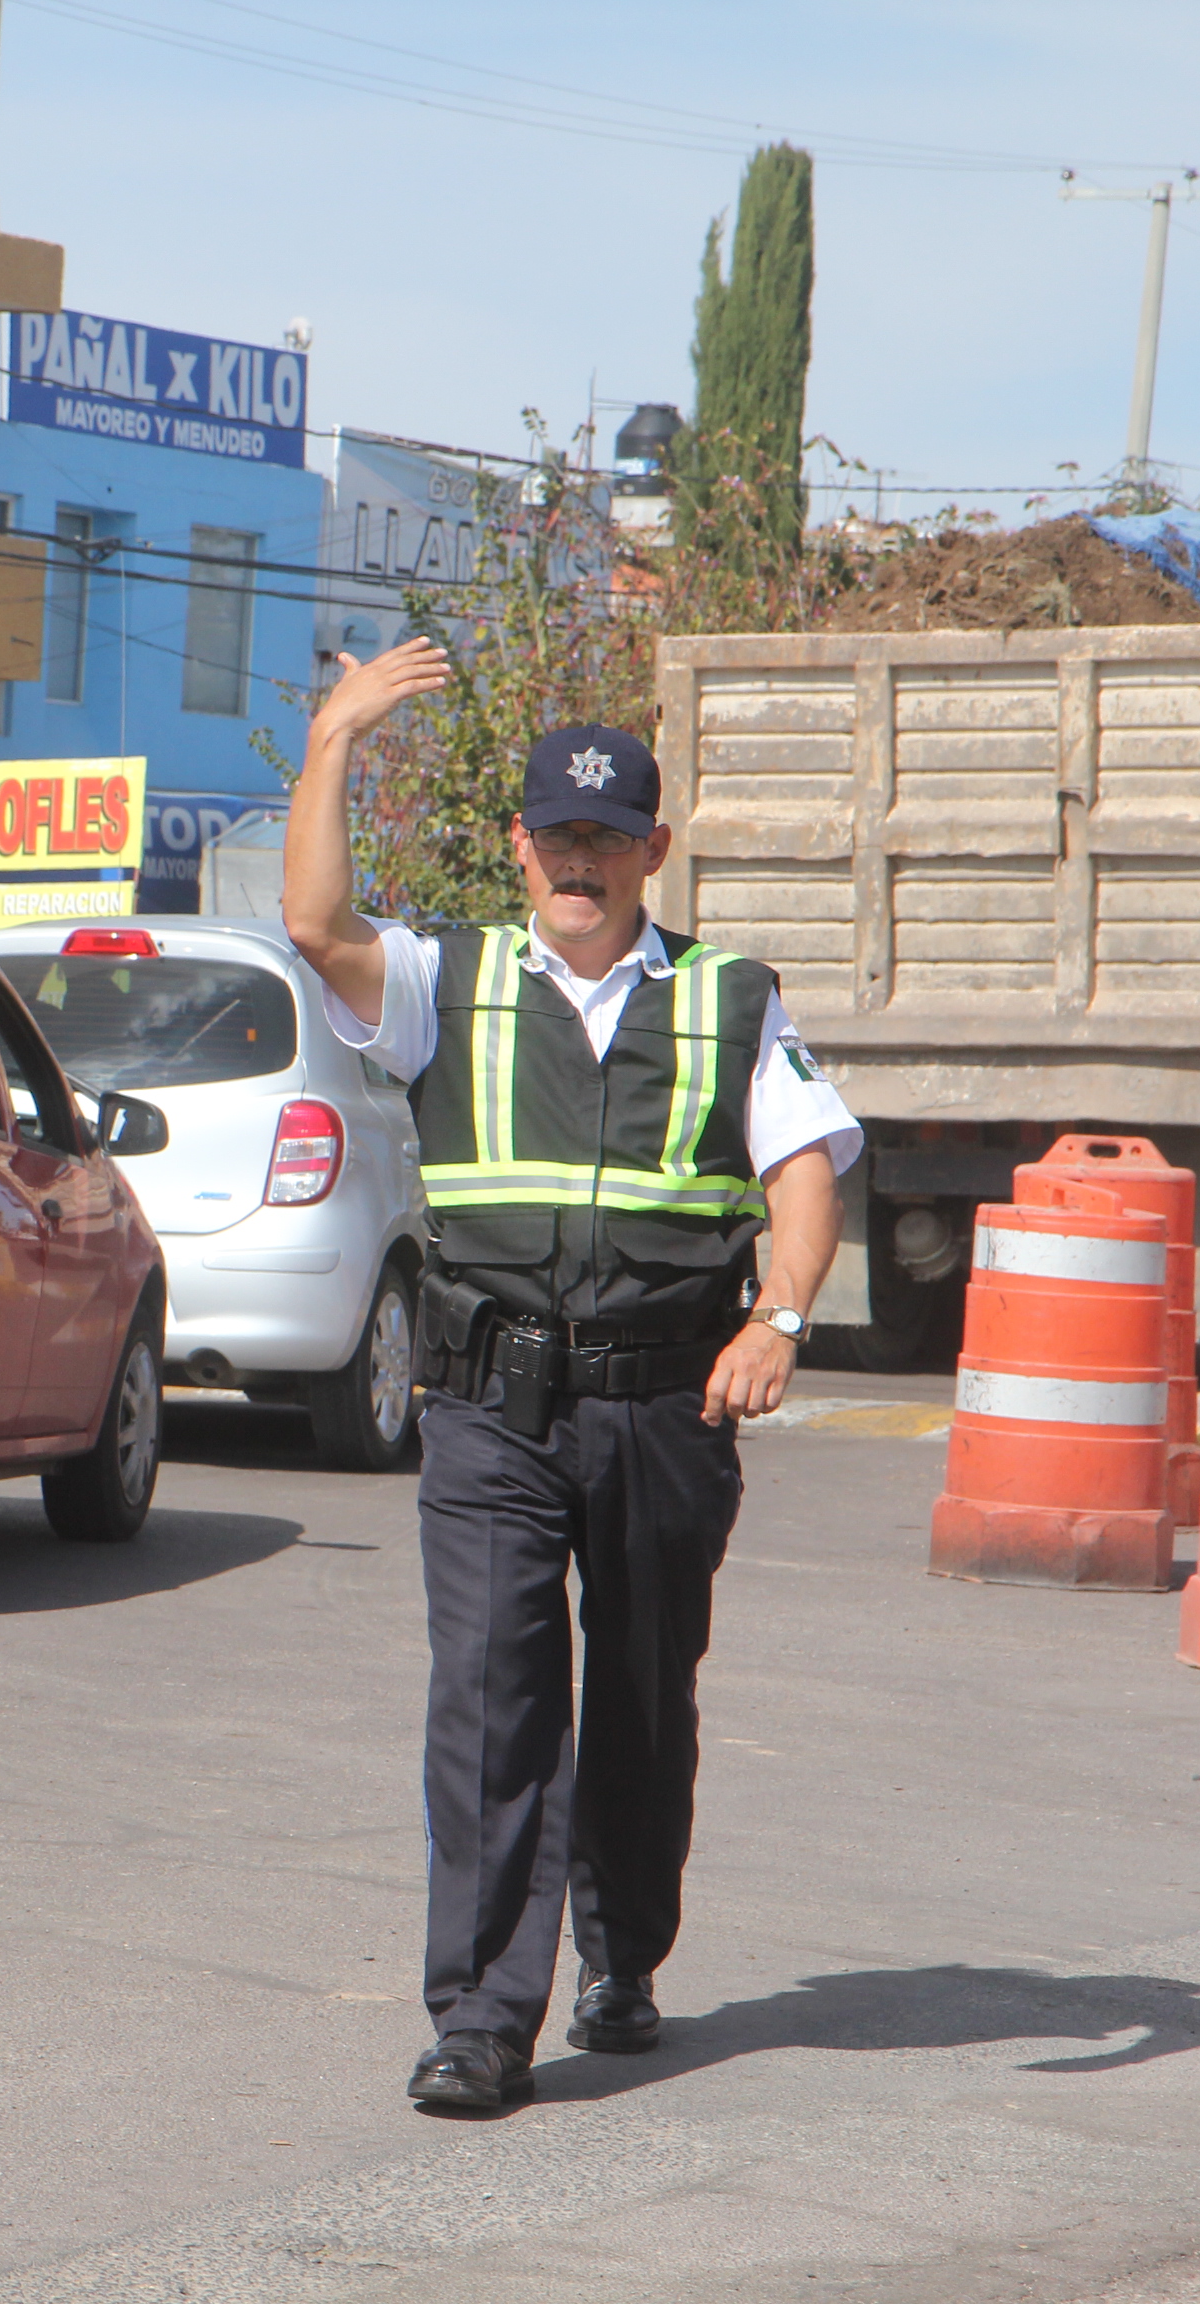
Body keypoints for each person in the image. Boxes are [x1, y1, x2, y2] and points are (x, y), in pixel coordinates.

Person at [280, 639, 861, 2114]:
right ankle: (481, 2017)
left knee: (645, 1696)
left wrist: (777, 1320)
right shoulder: (446, 983)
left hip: (669, 1404)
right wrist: (338, 738)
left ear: (652, 851)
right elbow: (314, 920)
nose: (579, 862)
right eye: (558, 837)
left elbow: (804, 1174)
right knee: (493, 1695)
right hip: (490, 1404)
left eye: (608, 838)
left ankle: (625, 1954)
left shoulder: (731, 1001)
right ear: (521, 846)